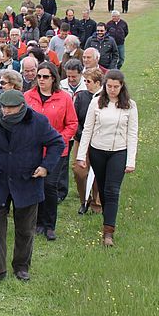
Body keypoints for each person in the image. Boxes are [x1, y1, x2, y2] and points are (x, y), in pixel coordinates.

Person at [0, 90, 65, 284]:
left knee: (25, 228)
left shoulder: (38, 122)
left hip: (27, 182)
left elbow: (57, 143)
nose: (6, 111)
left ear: (22, 107)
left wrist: (46, 167)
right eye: (3, 107)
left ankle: (21, 266)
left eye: (11, 108)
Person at [76, 70, 139, 247]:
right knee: (103, 189)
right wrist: (82, 155)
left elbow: (132, 133)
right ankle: (107, 216)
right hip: (98, 150)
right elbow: (87, 129)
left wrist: (130, 160)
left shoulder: (130, 106)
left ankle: (108, 232)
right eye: (109, 86)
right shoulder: (96, 102)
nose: (112, 90)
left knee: (112, 190)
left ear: (122, 87)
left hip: (119, 151)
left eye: (116, 87)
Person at [24, 63, 77, 241]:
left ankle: (49, 225)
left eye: (45, 77)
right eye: (39, 76)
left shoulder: (64, 98)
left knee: (49, 185)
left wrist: (59, 141)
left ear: (53, 78)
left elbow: (72, 123)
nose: (41, 80)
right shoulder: (28, 97)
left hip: (55, 151)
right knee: (35, 185)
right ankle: (37, 222)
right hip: (33, 150)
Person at [73, 68, 103, 215]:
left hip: (99, 141)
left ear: (97, 83)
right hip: (81, 139)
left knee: (98, 173)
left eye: (88, 81)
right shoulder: (81, 97)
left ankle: (97, 204)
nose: (86, 84)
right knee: (79, 171)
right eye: (84, 81)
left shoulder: (105, 98)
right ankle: (84, 200)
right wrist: (82, 134)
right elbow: (75, 119)